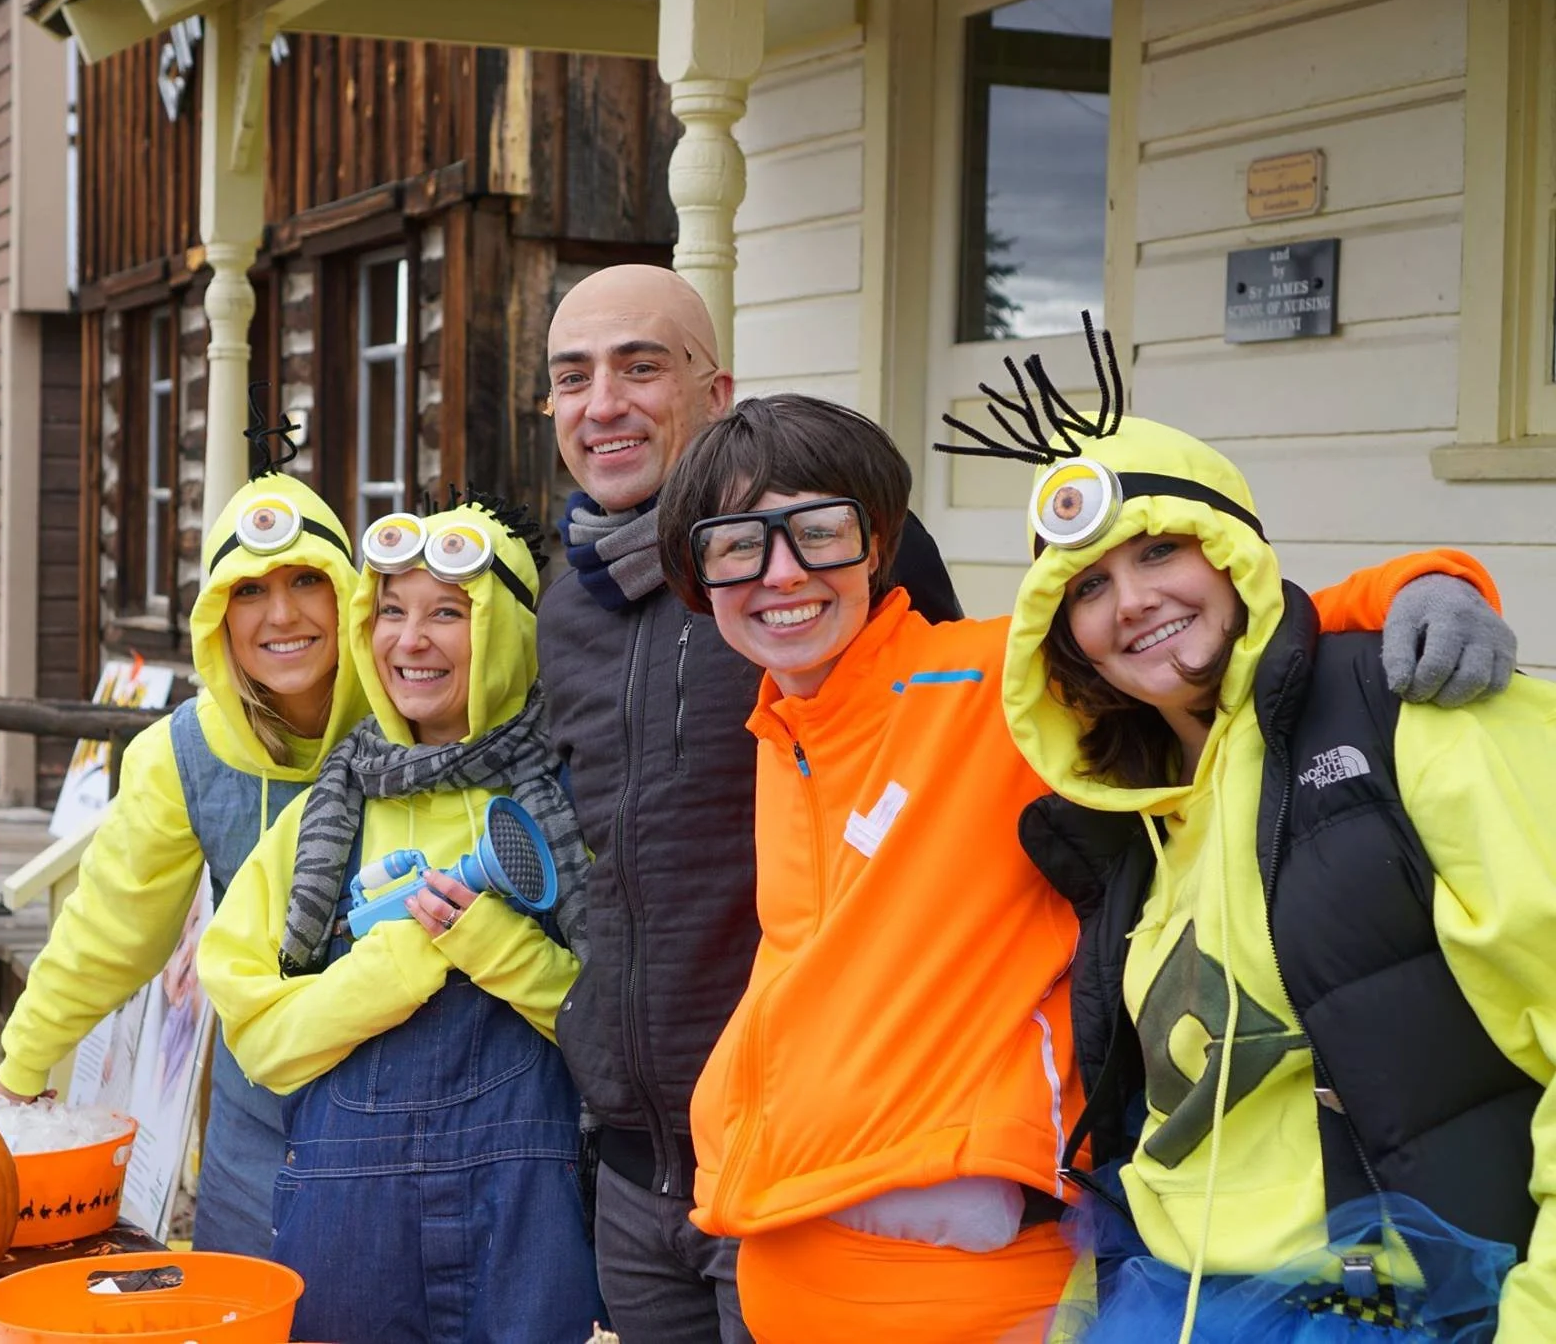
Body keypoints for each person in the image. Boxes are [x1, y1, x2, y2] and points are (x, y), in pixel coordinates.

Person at [653, 380, 1516, 1341]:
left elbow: (1227, 636)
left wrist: (1420, 584)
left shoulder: (987, 685)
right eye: (737, 544)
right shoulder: (781, 729)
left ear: (879, 540)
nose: (780, 573)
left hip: (977, 1277)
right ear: (700, 578)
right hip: (777, 1253)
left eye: (817, 531)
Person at [991, 357, 1552, 1340]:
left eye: (1159, 551)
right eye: (1084, 585)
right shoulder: (1125, 821)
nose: (1128, 601)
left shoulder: (1416, 711)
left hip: (1401, 1303)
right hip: (1170, 1300)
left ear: (1227, 553)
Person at [538, 264, 960, 1343]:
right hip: (636, 1165)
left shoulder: (832, 554)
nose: (603, 405)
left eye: (642, 367)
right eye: (571, 376)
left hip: (807, 1158)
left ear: (713, 393)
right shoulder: (558, 594)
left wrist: (1408, 586)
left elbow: (1080, 657)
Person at [199, 496, 601, 1343]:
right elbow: (261, 1042)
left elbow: (613, 1032)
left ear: (506, 631)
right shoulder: (320, 823)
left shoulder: (570, 814)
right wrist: (398, 965)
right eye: (390, 611)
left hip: (525, 1223)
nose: (410, 640)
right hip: (348, 1235)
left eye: (448, 613)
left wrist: (492, 944)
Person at [0, 429, 367, 1258]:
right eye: (248, 590)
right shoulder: (180, 756)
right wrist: (23, 1068)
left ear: (350, 596)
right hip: (261, 1117)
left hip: (416, 1116)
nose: (282, 613)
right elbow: (108, 932)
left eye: (308, 580)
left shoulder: (413, 720)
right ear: (215, 617)